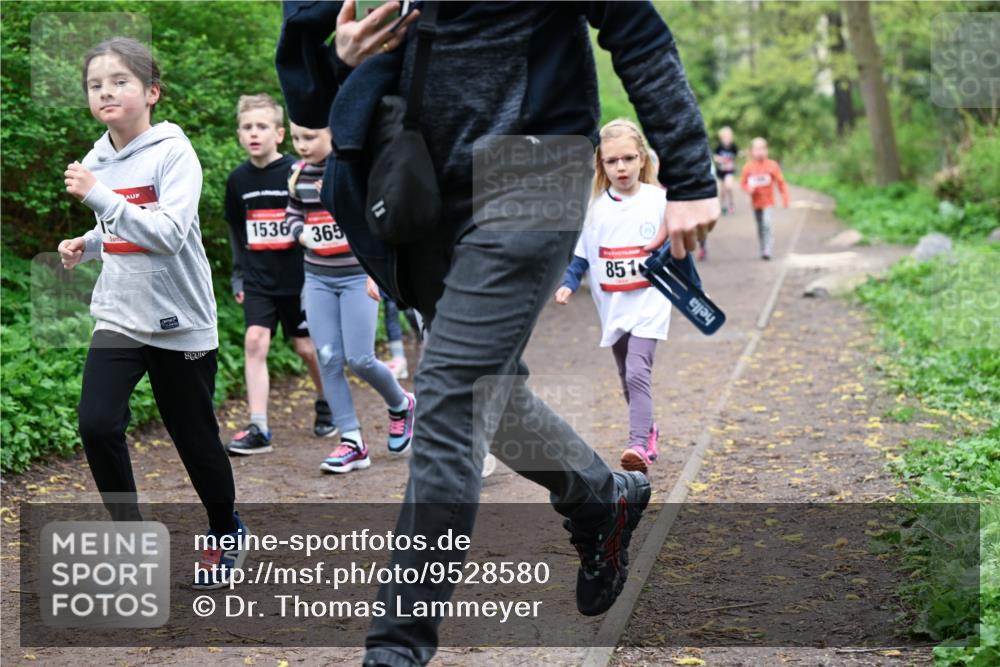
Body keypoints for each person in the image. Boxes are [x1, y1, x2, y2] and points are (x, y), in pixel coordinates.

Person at [277, 2, 719, 665]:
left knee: (452, 387)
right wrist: (337, 63)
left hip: (531, 164)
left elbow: (633, 24)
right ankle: (603, 500)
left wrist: (687, 173)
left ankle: (396, 650)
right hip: (405, 172)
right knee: (488, 388)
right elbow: (308, 83)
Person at [57, 37, 248, 589]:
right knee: (96, 424)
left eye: (119, 81)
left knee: (195, 440)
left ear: (151, 92)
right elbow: (117, 227)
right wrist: (87, 244)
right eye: (96, 84)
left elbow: (165, 234)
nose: (106, 91)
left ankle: (224, 528)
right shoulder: (98, 159)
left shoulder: (173, 153)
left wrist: (100, 199)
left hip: (180, 320)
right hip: (120, 313)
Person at [555, 119, 700, 474]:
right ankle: (648, 429)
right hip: (613, 306)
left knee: (638, 370)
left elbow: (680, 250)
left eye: (628, 159)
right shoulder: (595, 208)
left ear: (642, 160)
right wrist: (568, 283)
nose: (621, 167)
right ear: (601, 165)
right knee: (626, 374)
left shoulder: (660, 201)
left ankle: (638, 444)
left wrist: (695, 292)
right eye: (612, 161)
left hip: (650, 302)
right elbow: (581, 255)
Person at [285, 121, 416, 473]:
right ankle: (351, 441)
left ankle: (401, 403)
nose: (302, 144)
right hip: (317, 278)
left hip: (357, 276)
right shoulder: (297, 175)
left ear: (333, 134)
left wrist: (380, 271)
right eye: (296, 137)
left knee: (359, 359)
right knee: (327, 357)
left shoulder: (354, 172)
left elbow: (380, 219)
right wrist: (301, 235)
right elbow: (293, 212)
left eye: (310, 137)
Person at [224, 93, 335, 456]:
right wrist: (239, 276)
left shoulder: (296, 171)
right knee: (255, 342)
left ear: (278, 134)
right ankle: (259, 426)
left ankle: (327, 402)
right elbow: (237, 233)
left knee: (306, 348)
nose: (253, 133)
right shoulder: (237, 180)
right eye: (246, 127)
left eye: (261, 127)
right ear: (239, 134)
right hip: (258, 279)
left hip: (301, 278)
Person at [740, 137, 790, 260]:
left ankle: (768, 249)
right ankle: (763, 247)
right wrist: (748, 189)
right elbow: (743, 184)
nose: (760, 152)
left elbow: (781, 183)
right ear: (752, 151)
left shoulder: (772, 166)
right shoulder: (748, 167)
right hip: (756, 203)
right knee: (761, 226)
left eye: (762, 148)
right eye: (757, 149)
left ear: (767, 150)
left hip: (769, 202)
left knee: (767, 223)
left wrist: (785, 198)